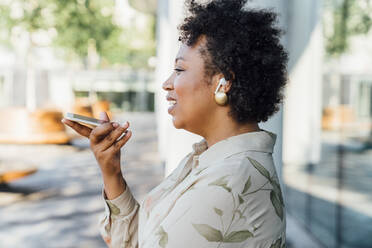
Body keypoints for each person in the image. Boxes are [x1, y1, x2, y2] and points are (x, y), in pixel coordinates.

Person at [62, 0, 288, 247]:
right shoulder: (212, 161)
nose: (167, 84)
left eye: (179, 70)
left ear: (224, 82)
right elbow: (141, 239)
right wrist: (111, 171)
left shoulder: (230, 183)